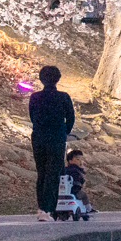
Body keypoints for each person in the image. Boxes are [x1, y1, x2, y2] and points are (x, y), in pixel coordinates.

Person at [27, 64, 74, 221]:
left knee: (42, 172)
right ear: (58, 79)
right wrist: (63, 132)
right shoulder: (64, 97)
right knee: (53, 174)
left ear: (41, 79)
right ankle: (49, 209)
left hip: (39, 137)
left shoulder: (34, 97)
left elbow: (32, 117)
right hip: (56, 138)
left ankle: (41, 208)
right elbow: (71, 118)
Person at [60, 148, 94, 218]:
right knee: (84, 195)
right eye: (77, 159)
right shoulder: (75, 170)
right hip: (75, 192)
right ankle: (88, 208)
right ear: (70, 160)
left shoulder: (65, 169)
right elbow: (80, 181)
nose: (80, 161)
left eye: (81, 159)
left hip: (62, 193)